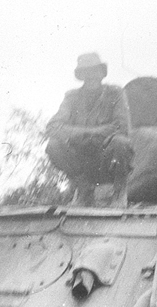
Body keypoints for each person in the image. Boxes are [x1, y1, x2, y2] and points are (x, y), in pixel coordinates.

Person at [46, 52, 133, 207]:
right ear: (81, 75)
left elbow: (122, 126)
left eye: (95, 71)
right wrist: (94, 132)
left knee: (121, 142)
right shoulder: (71, 97)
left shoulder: (115, 93)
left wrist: (75, 132)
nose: (91, 76)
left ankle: (119, 192)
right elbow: (53, 127)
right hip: (81, 162)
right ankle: (84, 190)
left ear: (102, 73)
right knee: (53, 145)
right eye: (86, 72)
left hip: (107, 159)